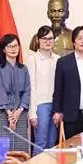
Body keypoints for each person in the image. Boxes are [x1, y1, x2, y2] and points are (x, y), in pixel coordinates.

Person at [0, 33, 31, 152]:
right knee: (4, 150)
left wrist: (19, 111)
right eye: (10, 46)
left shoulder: (23, 69)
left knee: (21, 149)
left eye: (16, 46)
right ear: (3, 49)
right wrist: (10, 114)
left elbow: (27, 90)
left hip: (20, 112)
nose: (13, 49)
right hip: (3, 112)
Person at [25, 26, 59, 155]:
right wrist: (32, 114)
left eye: (50, 38)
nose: (48, 41)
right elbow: (31, 87)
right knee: (41, 142)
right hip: (40, 105)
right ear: (38, 40)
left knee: (52, 143)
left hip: (55, 105)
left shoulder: (57, 59)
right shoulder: (33, 59)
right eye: (44, 38)